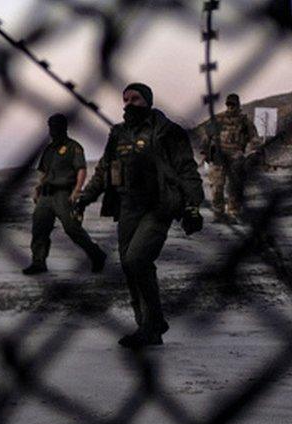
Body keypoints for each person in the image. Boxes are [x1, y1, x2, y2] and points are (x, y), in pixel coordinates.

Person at [75, 83, 204, 349]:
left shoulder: (168, 132)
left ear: (148, 101)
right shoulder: (118, 134)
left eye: (135, 98)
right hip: (127, 207)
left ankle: (152, 322)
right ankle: (148, 327)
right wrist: (83, 200)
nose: (128, 104)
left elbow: (187, 169)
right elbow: (102, 171)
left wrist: (193, 205)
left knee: (137, 259)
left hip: (158, 207)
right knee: (129, 265)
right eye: (125, 99)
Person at [22, 113, 107, 275]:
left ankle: (97, 255)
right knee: (39, 228)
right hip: (46, 196)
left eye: (55, 125)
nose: (52, 129)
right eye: (50, 126)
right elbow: (44, 173)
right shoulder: (48, 150)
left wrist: (77, 190)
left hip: (64, 194)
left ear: (64, 127)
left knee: (72, 228)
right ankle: (38, 262)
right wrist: (37, 189)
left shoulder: (73, 147)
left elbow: (81, 169)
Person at [200, 93, 260, 223]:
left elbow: (254, 139)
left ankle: (233, 212)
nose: (231, 107)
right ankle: (218, 213)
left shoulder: (245, 121)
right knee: (216, 187)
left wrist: (250, 154)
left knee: (234, 187)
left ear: (238, 105)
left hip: (236, 158)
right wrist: (206, 154)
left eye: (233, 104)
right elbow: (207, 137)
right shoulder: (219, 119)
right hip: (219, 159)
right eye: (229, 104)